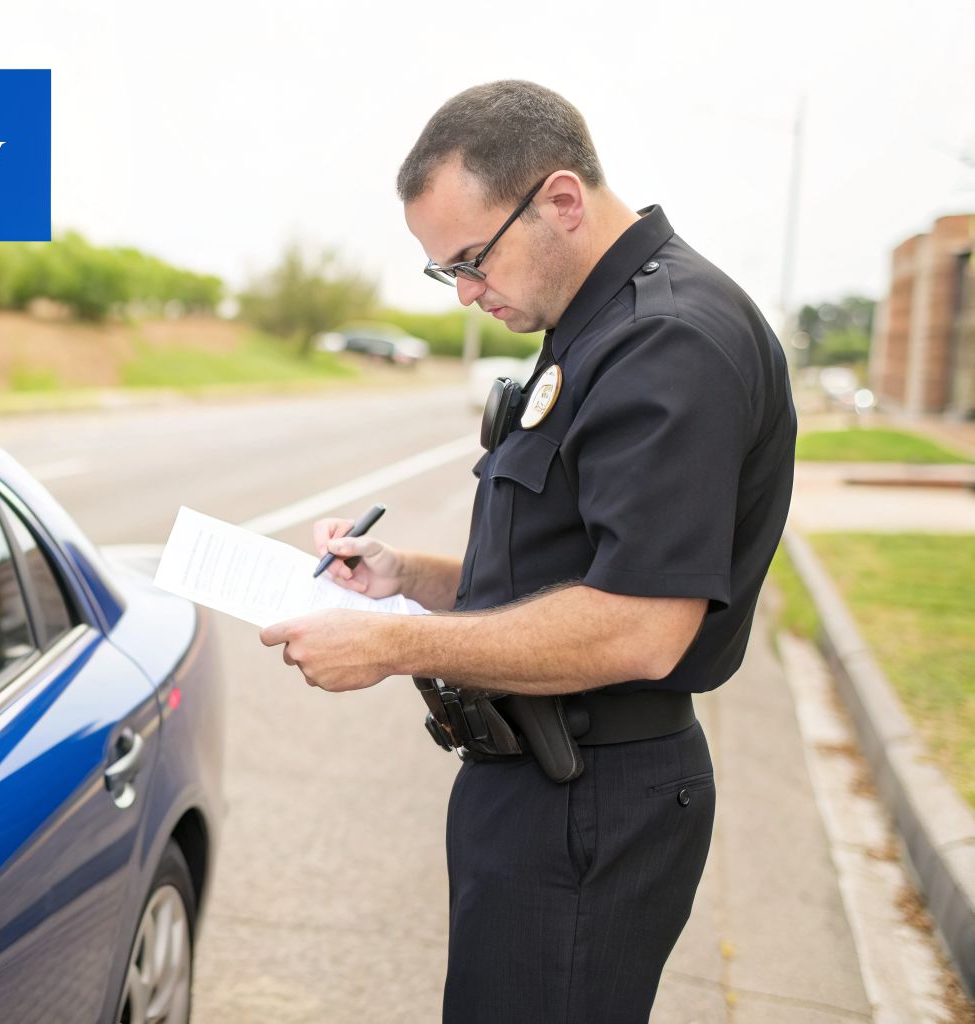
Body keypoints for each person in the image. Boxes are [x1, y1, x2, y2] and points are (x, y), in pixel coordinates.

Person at [259, 80, 796, 1022]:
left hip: (588, 799)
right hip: (544, 789)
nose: (466, 292)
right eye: (445, 275)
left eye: (470, 261)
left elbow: (637, 628)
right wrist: (408, 581)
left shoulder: (665, 339)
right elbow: (566, 575)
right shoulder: (594, 328)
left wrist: (390, 647)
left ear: (560, 200)